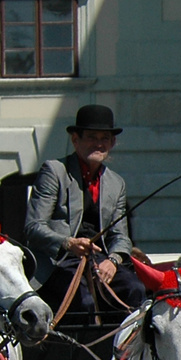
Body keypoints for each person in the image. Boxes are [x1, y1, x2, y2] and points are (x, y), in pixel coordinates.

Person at [24, 104, 146, 315]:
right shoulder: (54, 171)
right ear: (75, 139)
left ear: (112, 143)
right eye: (91, 137)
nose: (98, 144)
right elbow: (33, 227)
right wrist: (68, 243)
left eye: (104, 138)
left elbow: (121, 237)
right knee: (84, 301)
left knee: (135, 290)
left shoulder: (116, 183)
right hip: (59, 262)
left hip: (99, 262)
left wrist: (113, 261)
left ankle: (127, 348)